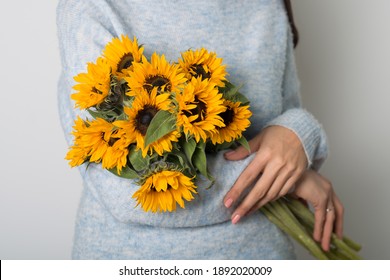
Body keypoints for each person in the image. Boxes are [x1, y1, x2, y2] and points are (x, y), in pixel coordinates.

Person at [57, 0, 343, 259]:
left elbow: (282, 126)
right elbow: (121, 192)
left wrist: (301, 132)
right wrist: (288, 182)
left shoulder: (266, 6)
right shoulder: (92, 6)